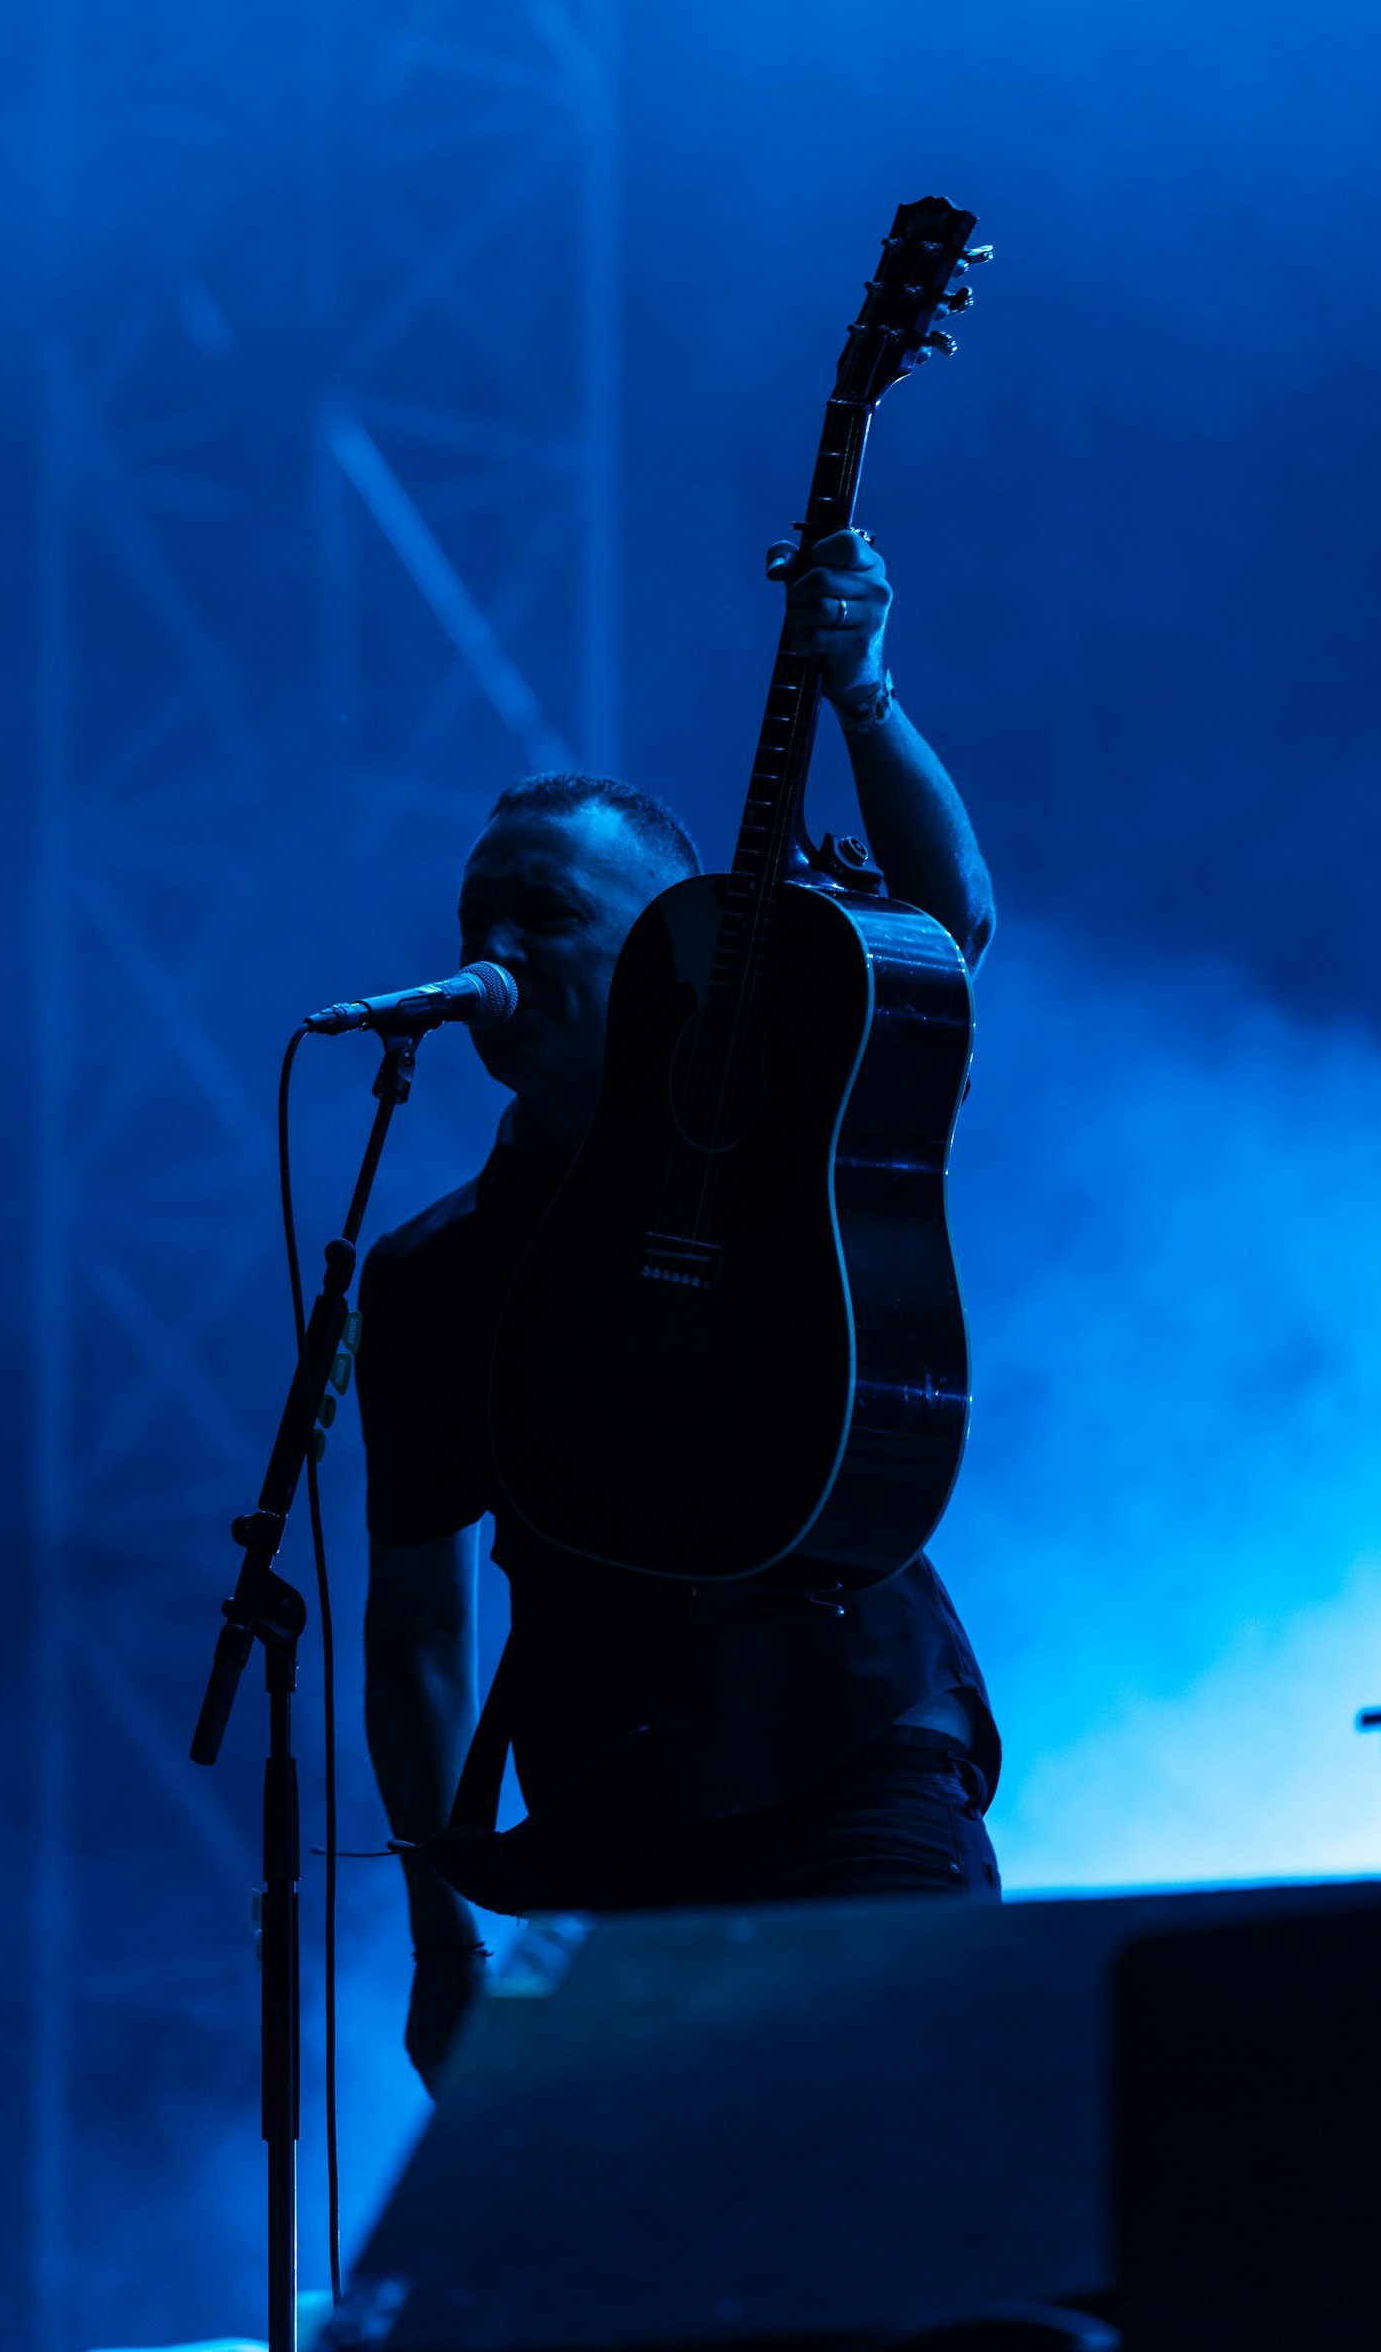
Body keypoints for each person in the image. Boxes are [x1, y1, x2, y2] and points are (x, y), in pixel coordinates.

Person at [358, 526, 1001, 2087]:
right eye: (473, 917)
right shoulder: (434, 1274)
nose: (492, 951)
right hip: (611, 1811)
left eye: (543, 915)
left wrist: (862, 695)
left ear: (669, 946)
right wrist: (446, 1942)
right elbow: (420, 1629)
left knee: (916, 2167)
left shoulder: (795, 1120)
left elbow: (946, 926)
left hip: (849, 1754)